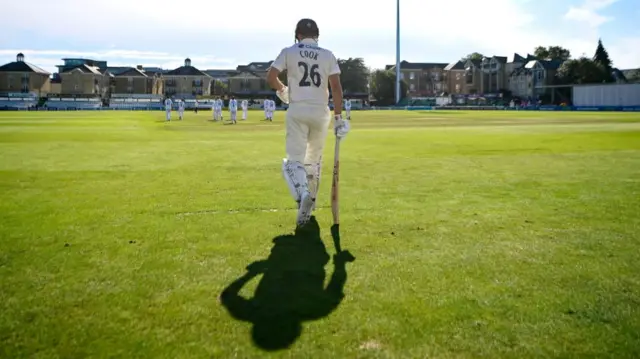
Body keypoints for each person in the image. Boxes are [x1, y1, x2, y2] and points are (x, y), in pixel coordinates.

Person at [266, 18, 350, 227]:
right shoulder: (327, 55)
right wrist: (339, 118)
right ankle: (309, 206)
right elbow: (337, 89)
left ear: (298, 35)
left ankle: (303, 195)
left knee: (293, 162)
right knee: (313, 163)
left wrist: (283, 90)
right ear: (317, 36)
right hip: (321, 112)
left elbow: (271, 76)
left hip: (298, 109)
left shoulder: (290, 51)